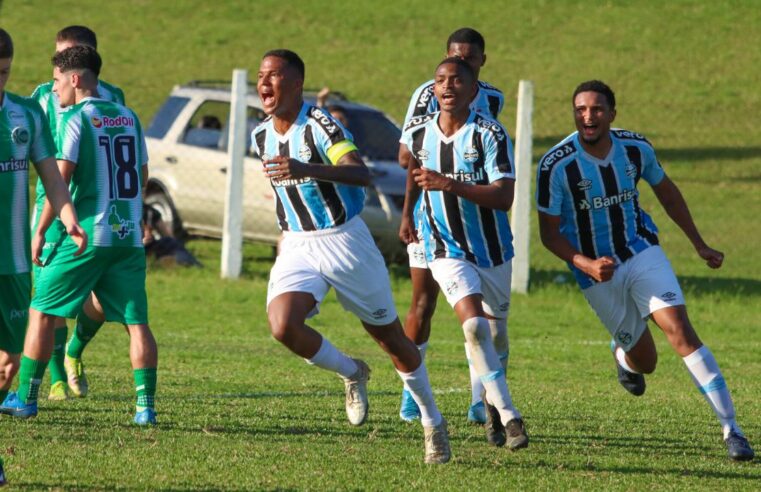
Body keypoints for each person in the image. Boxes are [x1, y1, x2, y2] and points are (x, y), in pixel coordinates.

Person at [535, 80, 754, 461]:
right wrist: (586, 263)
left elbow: (666, 192)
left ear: (612, 114)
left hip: (640, 250)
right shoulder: (556, 165)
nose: (588, 117)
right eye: (581, 110)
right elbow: (548, 235)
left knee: (680, 330)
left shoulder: (635, 148)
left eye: (597, 109)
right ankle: (623, 357)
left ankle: (731, 429)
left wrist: (699, 244)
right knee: (646, 361)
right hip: (592, 271)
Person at [252, 49, 450, 464]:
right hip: (297, 244)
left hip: (345, 242)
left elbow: (361, 172)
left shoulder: (322, 124)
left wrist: (307, 168)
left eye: (274, 76)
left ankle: (433, 422)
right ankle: (351, 371)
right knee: (282, 325)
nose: (265, 84)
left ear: (296, 84)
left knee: (392, 339)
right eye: (261, 76)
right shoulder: (260, 134)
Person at [1, 46, 158, 426]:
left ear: (74, 79)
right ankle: (145, 409)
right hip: (127, 235)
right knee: (137, 323)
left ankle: (26, 397)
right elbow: (142, 173)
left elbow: (61, 177)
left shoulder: (75, 118)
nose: (53, 90)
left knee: (40, 311)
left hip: (88, 234)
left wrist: (43, 230)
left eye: (56, 81)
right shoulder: (129, 115)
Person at [400, 57, 527, 450]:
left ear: (474, 90)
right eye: (440, 80)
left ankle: (490, 402)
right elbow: (414, 174)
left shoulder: (489, 134)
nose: (448, 86)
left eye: (456, 80)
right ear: (433, 90)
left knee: (495, 334)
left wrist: (450, 184)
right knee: (472, 326)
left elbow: (504, 196)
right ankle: (511, 417)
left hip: (492, 249)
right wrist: (408, 213)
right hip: (443, 246)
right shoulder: (420, 134)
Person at [30, 25, 126, 401]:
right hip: (51, 208)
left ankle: (74, 352)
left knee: (102, 299)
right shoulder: (41, 96)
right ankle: (55, 379)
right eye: (57, 54)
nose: (61, 62)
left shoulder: (114, 97)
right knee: (48, 300)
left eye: (69, 54)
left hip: (98, 210)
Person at [0, 29, 85, 416]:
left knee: (7, 365)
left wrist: (69, 220)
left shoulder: (26, 113)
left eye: (3, 72)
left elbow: (53, 177)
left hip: (13, 263)